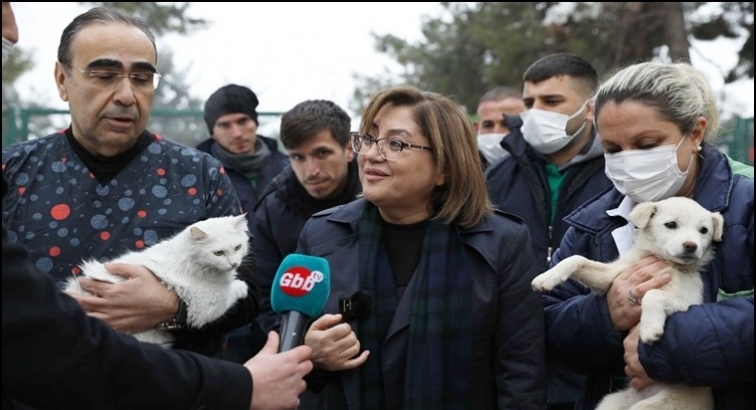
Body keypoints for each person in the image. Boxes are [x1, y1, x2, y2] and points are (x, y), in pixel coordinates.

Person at [2, 4, 311, 410]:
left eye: (142, 78)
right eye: (105, 75)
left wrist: (174, 307)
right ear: (63, 80)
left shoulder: (200, 174)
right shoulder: (13, 171)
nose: (126, 95)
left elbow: (248, 293)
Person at [298, 85, 546, 409]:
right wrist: (311, 354)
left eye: (396, 143)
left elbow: (521, 372)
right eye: (369, 138)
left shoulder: (502, 242)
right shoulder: (322, 235)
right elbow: (288, 349)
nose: (371, 154)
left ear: (444, 167)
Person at [544, 61, 754, 410]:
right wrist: (605, 315)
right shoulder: (592, 221)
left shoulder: (746, 204)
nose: (629, 161)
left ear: (695, 133)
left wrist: (667, 345)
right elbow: (546, 327)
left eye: (646, 144)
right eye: (612, 149)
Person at [484, 53, 612, 410]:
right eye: (529, 103)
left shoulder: (621, 173)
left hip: (594, 368)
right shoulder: (496, 177)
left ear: (589, 108)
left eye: (551, 101)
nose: (536, 112)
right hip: (513, 369)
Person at [251, 99, 361, 345]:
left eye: (322, 153)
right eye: (298, 157)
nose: (311, 170)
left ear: (348, 149)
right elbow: (263, 300)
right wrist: (303, 345)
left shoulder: (378, 195)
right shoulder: (272, 210)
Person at [197, 83, 290, 213]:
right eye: (225, 125)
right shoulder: (199, 176)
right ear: (212, 133)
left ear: (255, 123)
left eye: (243, 121)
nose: (237, 134)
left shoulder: (288, 168)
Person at [475, 86, 526, 169]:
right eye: (488, 125)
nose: (496, 132)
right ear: (476, 128)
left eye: (507, 124)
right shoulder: (461, 172)